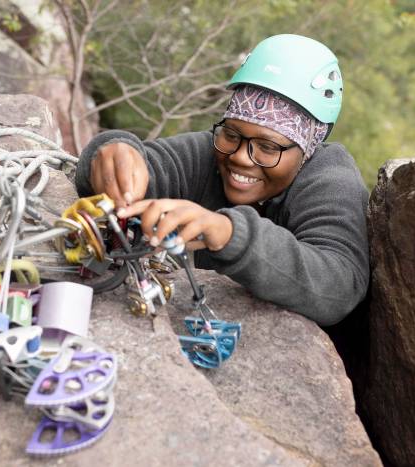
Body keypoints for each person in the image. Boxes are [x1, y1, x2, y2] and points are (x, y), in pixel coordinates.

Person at [75, 34, 369, 326]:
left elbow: (339, 285)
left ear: (308, 149)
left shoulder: (330, 182)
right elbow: (141, 161)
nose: (240, 157)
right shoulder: (212, 151)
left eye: (267, 147)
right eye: (231, 134)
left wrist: (228, 234)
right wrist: (112, 151)